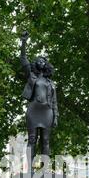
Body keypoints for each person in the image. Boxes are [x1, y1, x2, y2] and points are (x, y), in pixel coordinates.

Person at [20, 31, 58, 170]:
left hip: (47, 112)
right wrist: (24, 42)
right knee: (32, 140)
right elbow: (23, 59)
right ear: (36, 63)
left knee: (46, 141)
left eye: (44, 60)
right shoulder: (31, 76)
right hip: (34, 110)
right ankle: (29, 170)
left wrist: (56, 117)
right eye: (39, 60)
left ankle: (44, 171)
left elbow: (54, 102)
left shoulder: (51, 83)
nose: (42, 61)